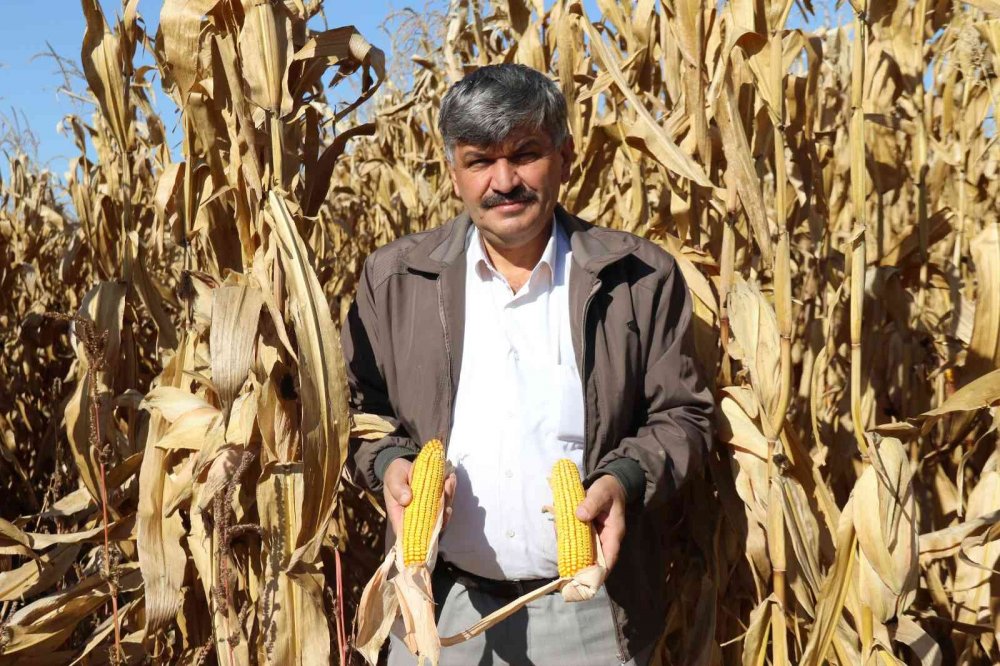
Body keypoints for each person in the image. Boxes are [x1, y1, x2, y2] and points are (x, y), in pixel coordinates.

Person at [342, 63, 714, 666]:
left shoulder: (638, 279)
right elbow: (364, 414)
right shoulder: (395, 280)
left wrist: (625, 479)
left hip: (589, 608)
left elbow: (683, 416)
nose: (504, 181)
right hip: (440, 604)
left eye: (525, 154)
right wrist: (389, 463)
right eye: (480, 160)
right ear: (453, 171)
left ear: (565, 157)